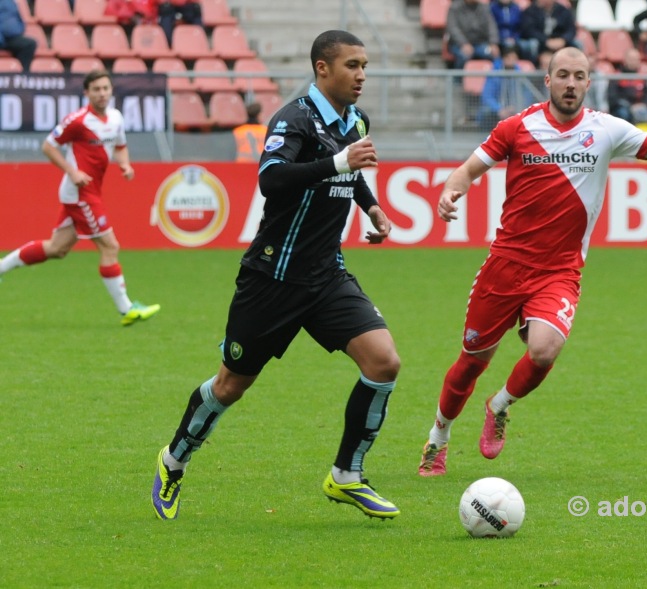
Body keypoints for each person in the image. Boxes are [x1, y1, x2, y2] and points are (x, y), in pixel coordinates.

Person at [417, 46, 647, 476]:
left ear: (589, 83)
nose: (571, 84)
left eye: (580, 76)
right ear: (547, 81)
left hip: (559, 271)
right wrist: (450, 190)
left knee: (545, 350)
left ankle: (499, 405)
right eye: (563, 75)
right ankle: (438, 438)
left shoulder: (607, 130)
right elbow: (468, 169)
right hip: (505, 266)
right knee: (471, 363)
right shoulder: (516, 128)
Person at [151, 30, 401, 521]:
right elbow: (271, 179)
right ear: (322, 68)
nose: (362, 75)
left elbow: (351, 174)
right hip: (272, 278)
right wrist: (337, 161)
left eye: (365, 65)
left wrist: (372, 208)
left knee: (384, 362)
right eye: (352, 65)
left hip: (326, 275)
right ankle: (172, 461)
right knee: (229, 387)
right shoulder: (292, 119)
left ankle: (347, 476)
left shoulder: (356, 119)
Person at [0, 70, 161, 327]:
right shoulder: (78, 120)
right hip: (79, 193)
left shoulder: (116, 118)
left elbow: (119, 145)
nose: (101, 93)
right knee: (110, 246)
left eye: (105, 88)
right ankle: (127, 309)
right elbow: (48, 146)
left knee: (57, 248)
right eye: (96, 89)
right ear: (86, 93)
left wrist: (125, 165)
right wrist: (72, 171)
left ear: (111, 90)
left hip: (91, 190)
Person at [477, 45, 535, 131]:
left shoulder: (521, 75)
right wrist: (499, 109)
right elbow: (487, 97)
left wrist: (516, 107)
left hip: (515, 109)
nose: (511, 60)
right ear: (503, 58)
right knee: (486, 111)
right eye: (508, 58)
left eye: (514, 58)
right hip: (497, 111)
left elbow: (527, 95)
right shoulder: (494, 74)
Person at [518, 0, 578, 65]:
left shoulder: (563, 11)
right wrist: (546, 41)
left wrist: (563, 39)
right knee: (532, 44)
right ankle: (532, 69)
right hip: (540, 43)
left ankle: (574, 66)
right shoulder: (530, 11)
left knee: (577, 44)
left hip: (560, 42)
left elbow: (571, 29)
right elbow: (528, 30)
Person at [446, 0, 501, 70]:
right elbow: (453, 28)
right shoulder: (455, 7)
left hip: (480, 43)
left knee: (494, 55)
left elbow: (491, 26)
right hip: (458, 44)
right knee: (464, 56)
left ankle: (495, 79)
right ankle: (457, 80)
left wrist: (493, 43)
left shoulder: (484, 7)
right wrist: (464, 43)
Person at [606, 47, 647, 125]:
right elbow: (613, 98)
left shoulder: (641, 77)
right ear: (625, 60)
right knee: (623, 113)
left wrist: (644, 104)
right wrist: (630, 107)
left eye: (636, 59)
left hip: (640, 107)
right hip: (622, 108)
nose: (634, 62)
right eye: (631, 59)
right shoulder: (616, 76)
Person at [0, 0, 37, 71]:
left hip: (10, 38)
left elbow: (18, 18)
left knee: (30, 44)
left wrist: (19, 30)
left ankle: (24, 75)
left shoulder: (10, 2)